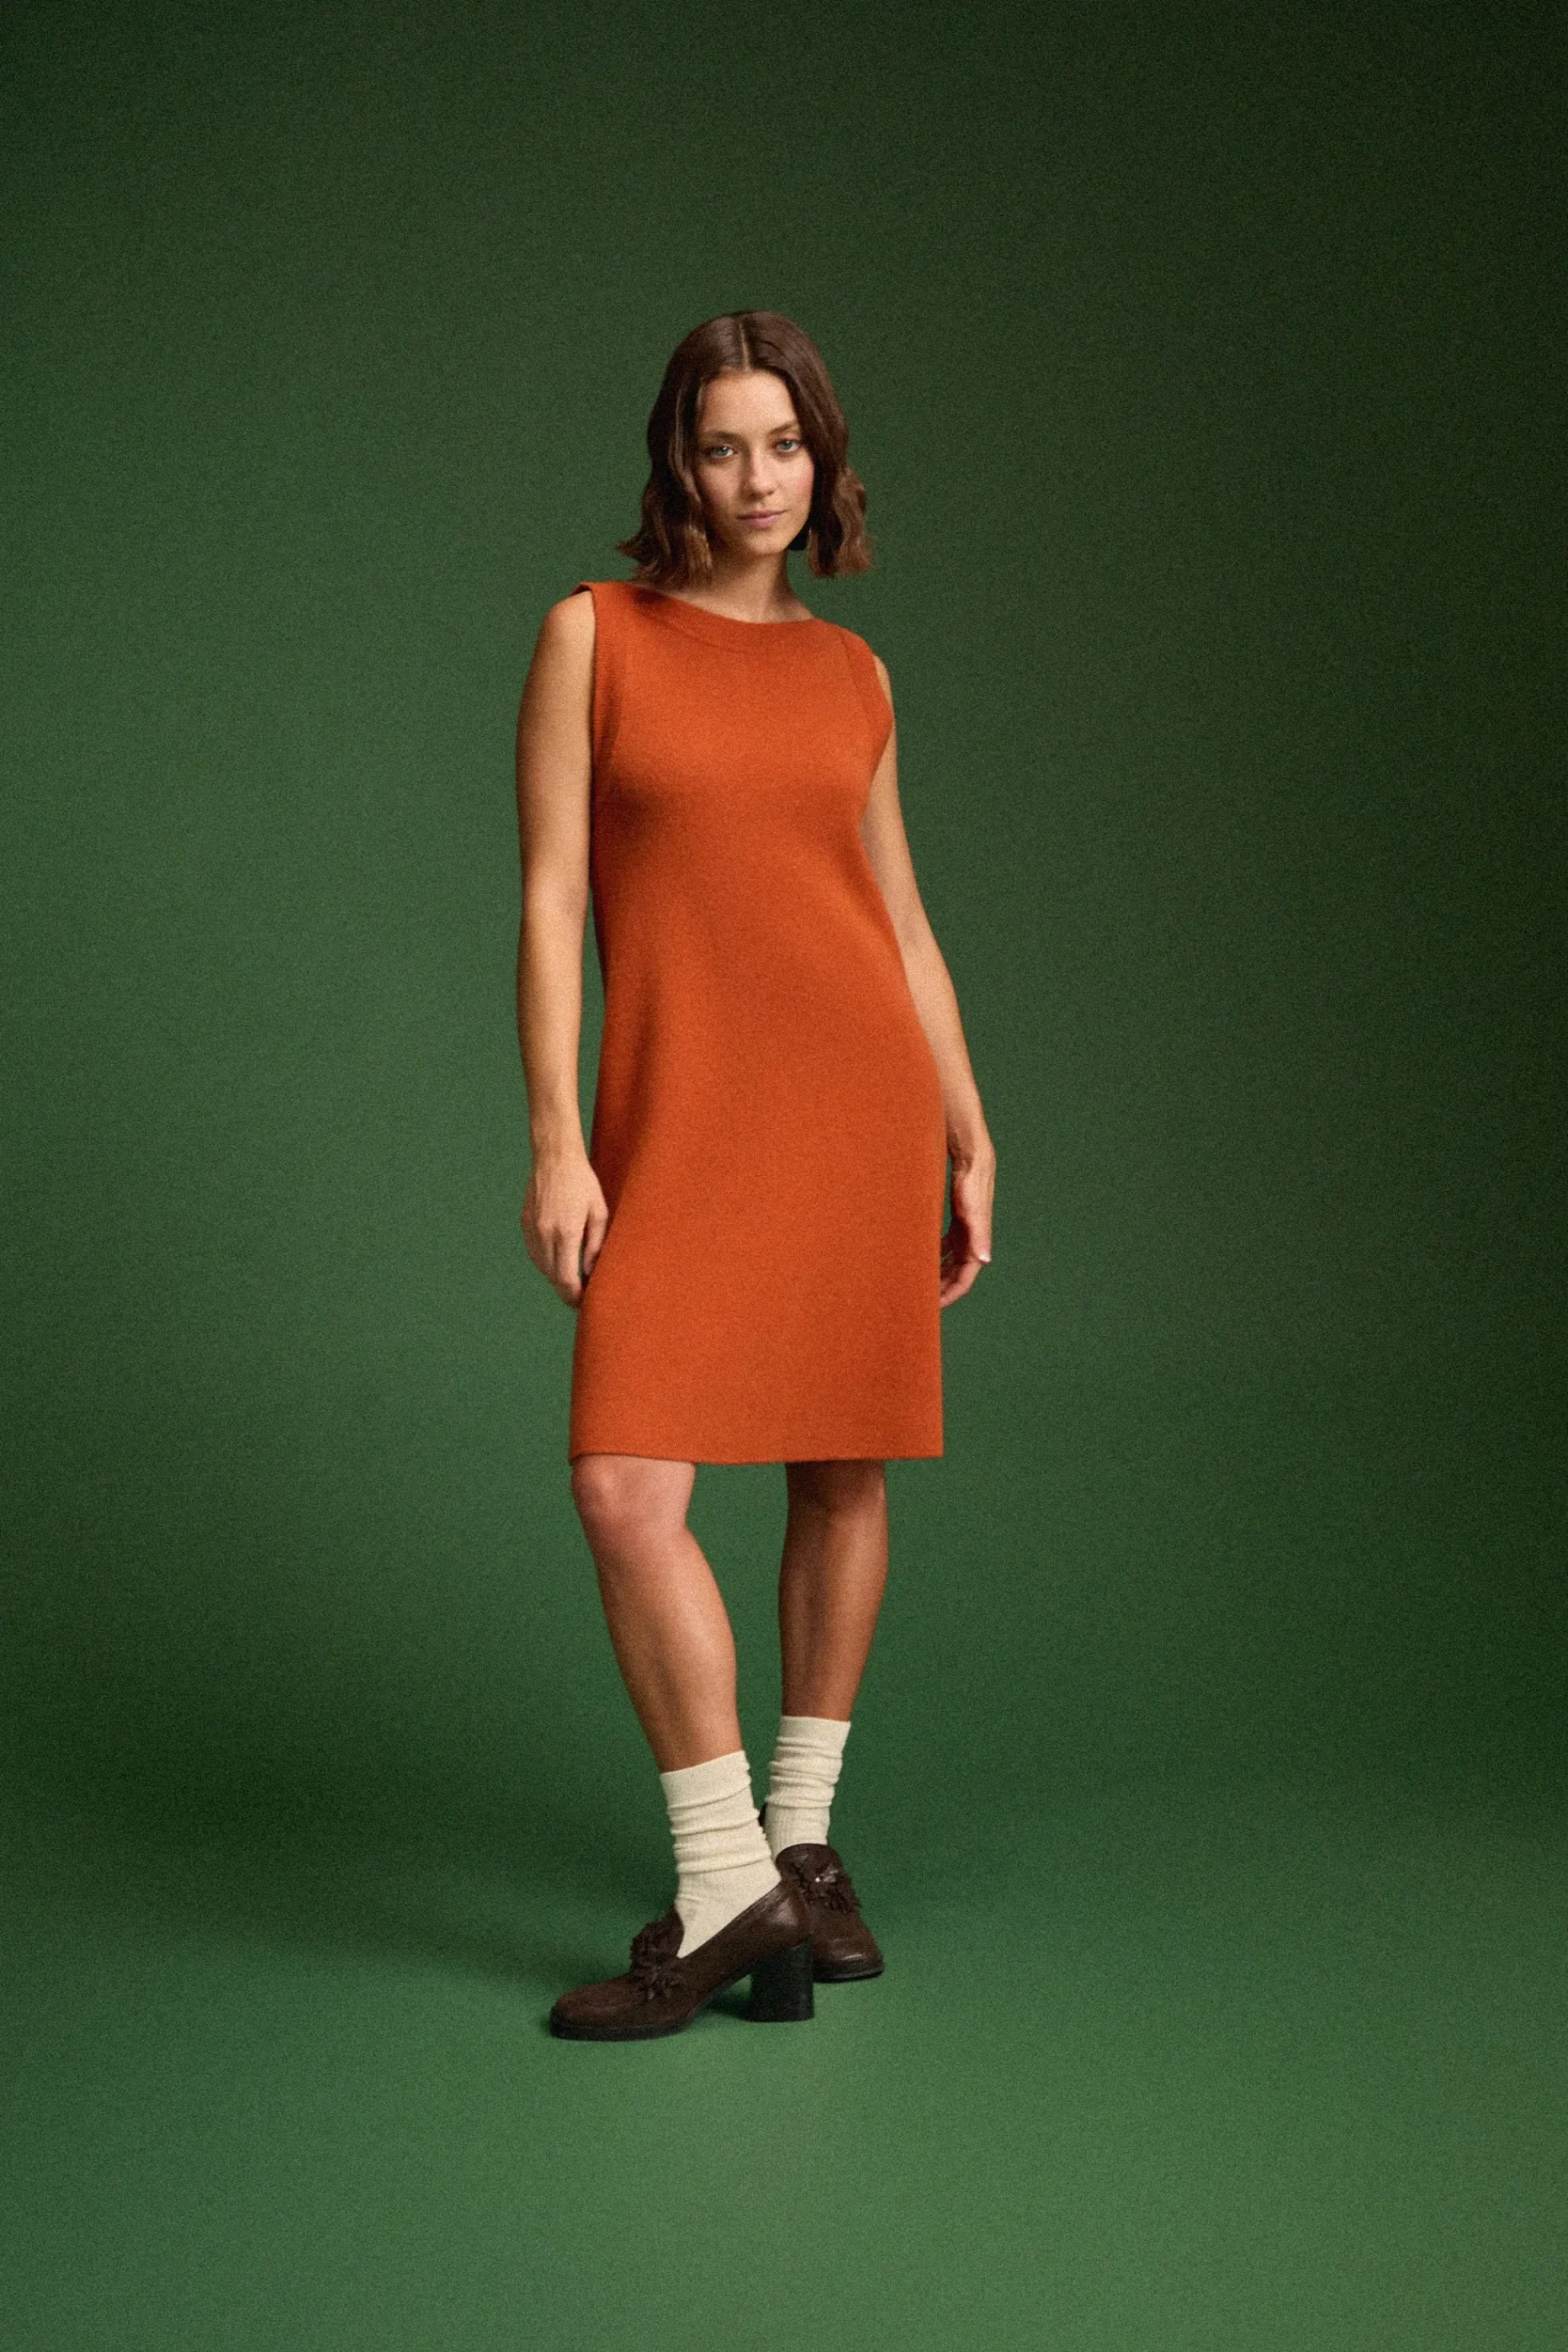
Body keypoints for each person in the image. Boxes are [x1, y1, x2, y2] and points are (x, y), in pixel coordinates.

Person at [514, 311, 995, 2041]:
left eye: (783, 444)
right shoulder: (594, 634)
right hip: (677, 1112)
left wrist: (967, 1124)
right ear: (678, 463)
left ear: (821, 458)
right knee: (624, 1489)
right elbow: (552, 898)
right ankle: (728, 1878)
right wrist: (557, 1136)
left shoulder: (853, 674)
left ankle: (794, 1858)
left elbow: (901, 923)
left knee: (839, 1468)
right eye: (722, 446)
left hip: (857, 1099)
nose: (757, 478)